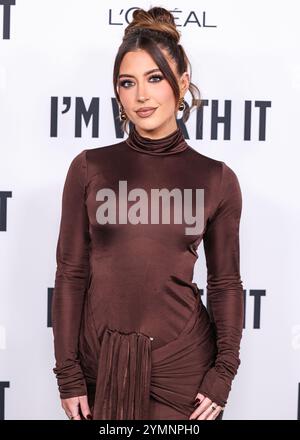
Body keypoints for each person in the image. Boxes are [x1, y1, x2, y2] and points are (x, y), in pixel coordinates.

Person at [51, 6, 244, 421]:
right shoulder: (89, 168)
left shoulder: (217, 179)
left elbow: (225, 283)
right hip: (99, 365)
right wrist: (68, 374)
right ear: (117, 92)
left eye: (154, 78)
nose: (141, 95)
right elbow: (70, 275)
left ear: (182, 82)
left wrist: (223, 373)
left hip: (184, 370)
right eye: (127, 82)